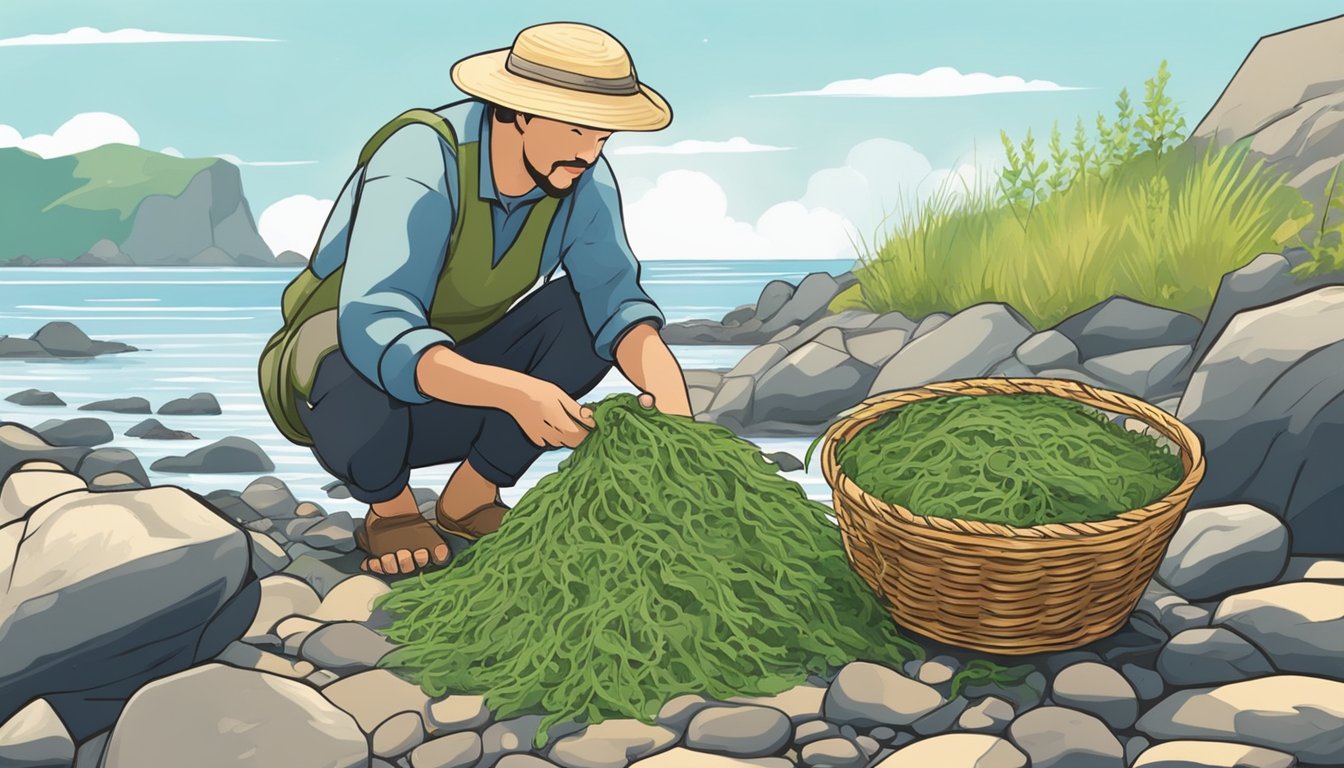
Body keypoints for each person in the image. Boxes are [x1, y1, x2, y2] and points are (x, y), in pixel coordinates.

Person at [284, 22, 692, 576]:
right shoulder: (421, 158)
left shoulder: (582, 179)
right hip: (341, 387)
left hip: (461, 379)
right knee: (345, 358)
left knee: (583, 318)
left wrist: (672, 400)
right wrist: (519, 394)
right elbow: (377, 322)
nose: (589, 152)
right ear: (517, 111)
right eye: (576, 129)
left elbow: (614, 299)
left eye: (602, 136)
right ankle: (391, 509)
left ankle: (469, 498)